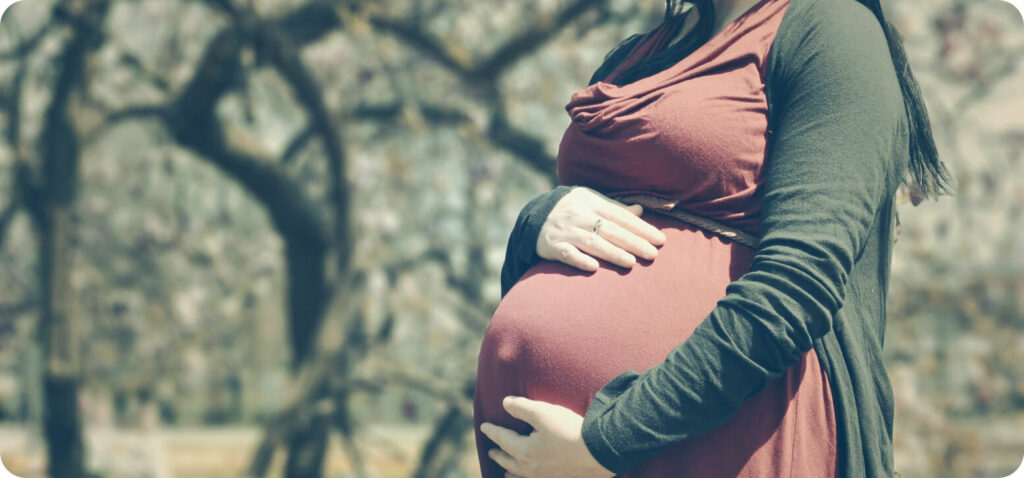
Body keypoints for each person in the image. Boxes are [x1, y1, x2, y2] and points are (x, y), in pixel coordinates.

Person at [473, 0, 953, 476]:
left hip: (709, 438)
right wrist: (536, 223)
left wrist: (608, 443)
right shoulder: (641, 54)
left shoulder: (833, 29)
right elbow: (584, 225)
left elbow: (798, 285)